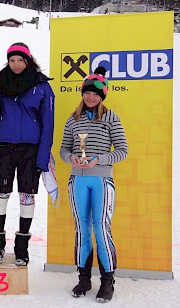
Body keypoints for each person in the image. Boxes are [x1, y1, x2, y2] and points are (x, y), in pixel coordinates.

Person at [59, 66, 128, 303]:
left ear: (102, 96)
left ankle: (107, 281)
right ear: (82, 93)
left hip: (101, 180)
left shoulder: (111, 117)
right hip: (77, 179)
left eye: (96, 94)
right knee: (82, 228)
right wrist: (72, 159)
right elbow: (63, 149)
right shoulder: (73, 119)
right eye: (87, 92)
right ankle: (84, 278)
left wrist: (100, 159)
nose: (91, 97)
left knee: (101, 228)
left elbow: (122, 151)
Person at [0, 43, 54, 266]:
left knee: (27, 196)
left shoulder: (42, 87)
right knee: (1, 194)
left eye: (20, 60)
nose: (16, 65)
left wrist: (43, 157)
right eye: (12, 60)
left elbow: (48, 124)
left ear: (28, 61)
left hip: (30, 150)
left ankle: (22, 248)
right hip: (4, 146)